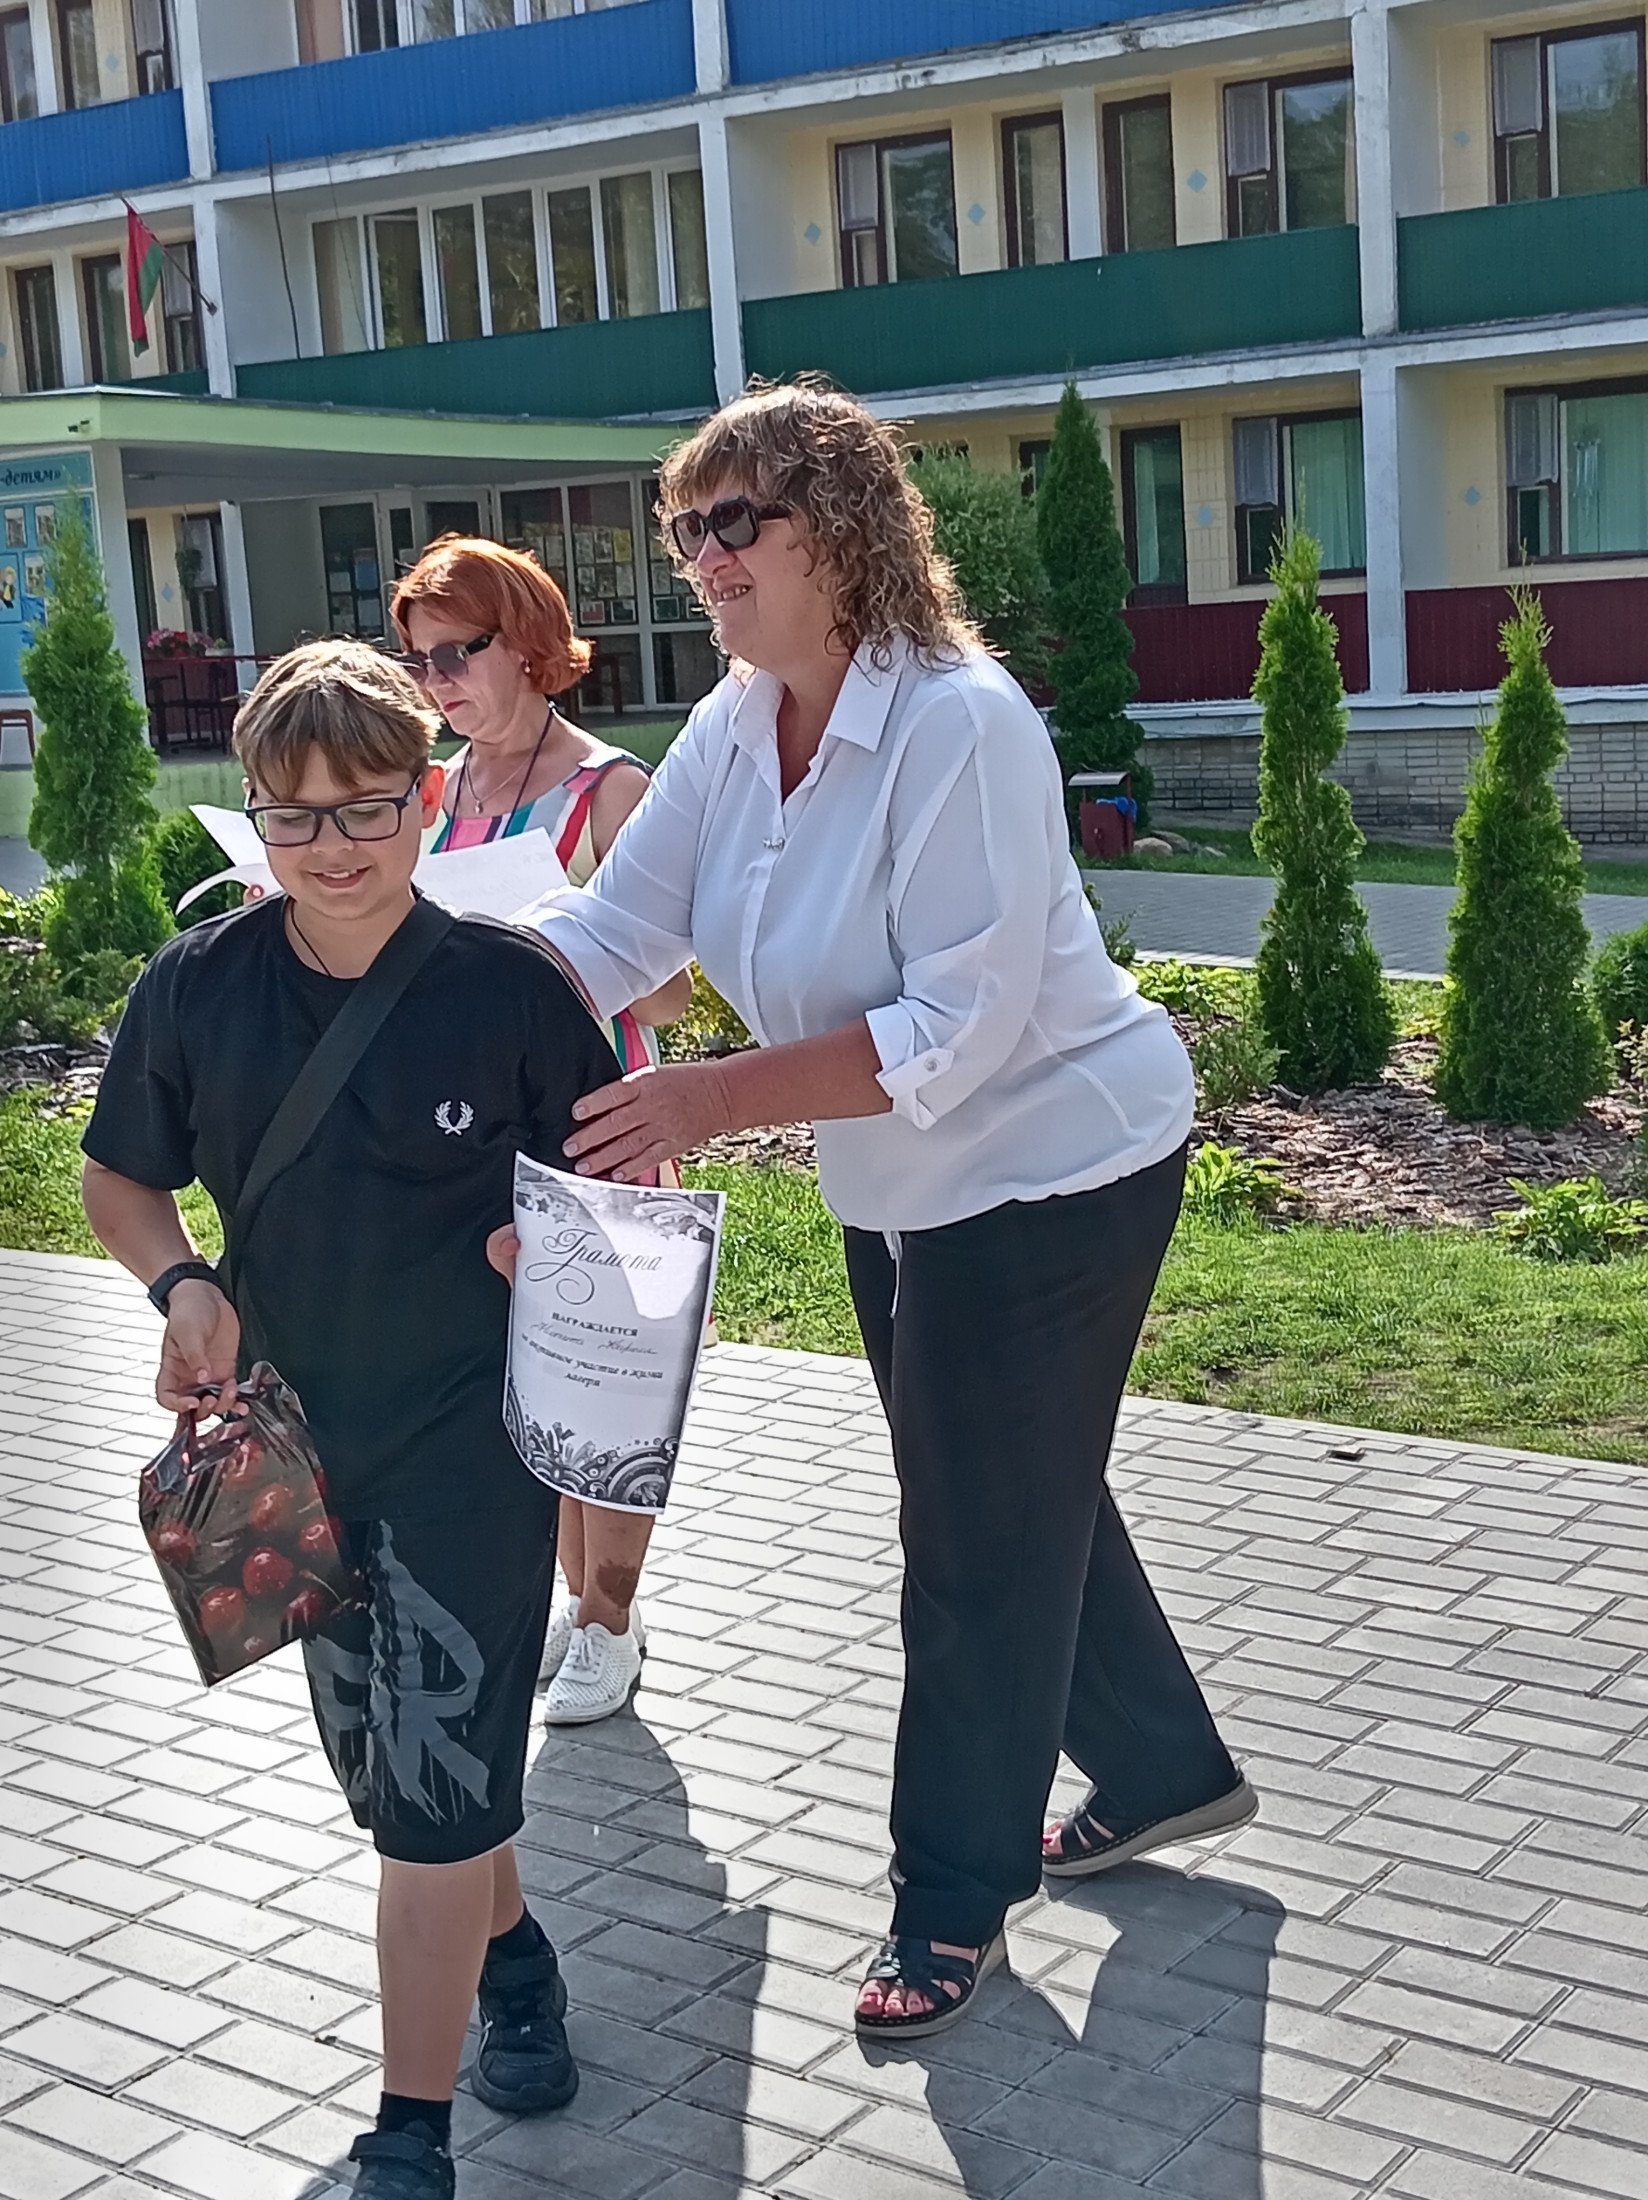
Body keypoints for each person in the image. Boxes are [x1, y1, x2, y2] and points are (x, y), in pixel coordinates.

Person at [514, 381, 1256, 2038]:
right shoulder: (736, 721)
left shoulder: (957, 724)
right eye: (684, 530)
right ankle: (1161, 1766)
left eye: (734, 521)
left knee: (973, 1537)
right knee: (1003, 1488)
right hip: (901, 1181)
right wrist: (421, 975)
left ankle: (949, 1898)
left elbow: (955, 1028)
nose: (701, 558)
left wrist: (703, 1100)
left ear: (842, 531)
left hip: (1055, 1168)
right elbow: (615, 929)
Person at [81, 640, 623, 2200]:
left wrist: (561, 1248)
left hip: (472, 1453)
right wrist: (182, 1281)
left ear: (427, 801)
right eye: (294, 814)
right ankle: (513, 1959)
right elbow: (120, 1175)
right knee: (399, 1781)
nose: (330, 845)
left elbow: (611, 1196)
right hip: (290, 1449)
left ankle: (412, 2132)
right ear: (250, 812)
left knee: (432, 1793)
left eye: (367, 807)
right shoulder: (197, 986)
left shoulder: (513, 990)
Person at [390, 536, 690, 1725]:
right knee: (523, 1396)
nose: (437, 682)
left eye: (456, 654)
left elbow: (673, 992)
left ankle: (609, 1622)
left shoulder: (610, 790)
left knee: (605, 1396)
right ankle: (571, 1606)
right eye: (418, 661)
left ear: (525, 644)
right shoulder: (431, 788)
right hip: (466, 1137)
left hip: (597, 1128)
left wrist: (545, 931)